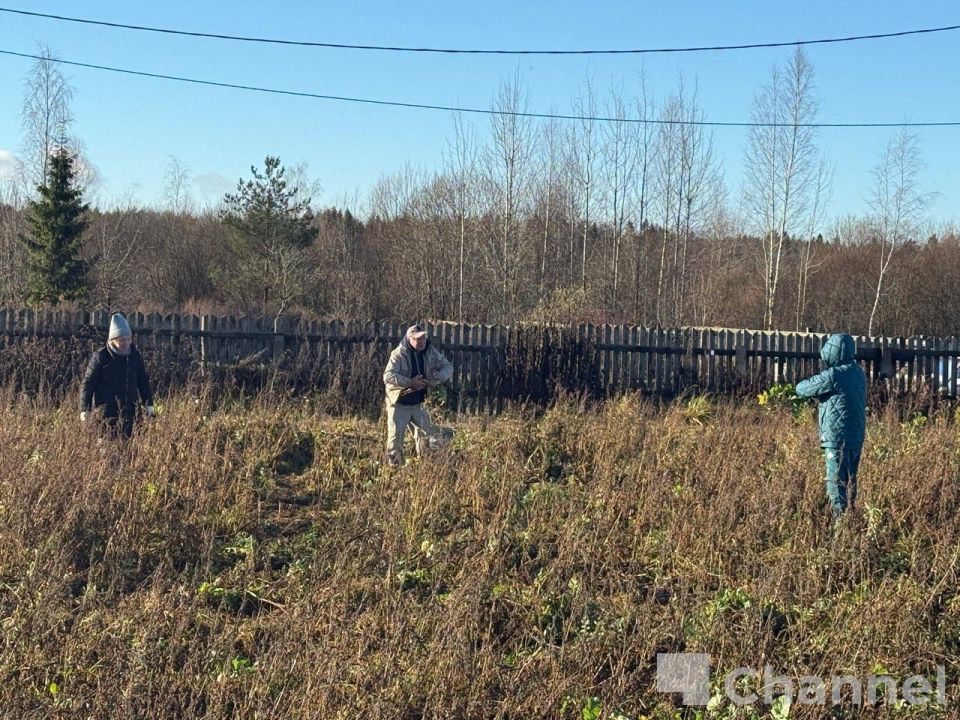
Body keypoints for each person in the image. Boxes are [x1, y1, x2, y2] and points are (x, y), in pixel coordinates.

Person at [795, 333, 867, 521]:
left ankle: (839, 530)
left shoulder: (834, 375)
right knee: (851, 483)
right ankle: (851, 523)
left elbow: (802, 388)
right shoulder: (859, 373)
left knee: (835, 485)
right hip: (856, 438)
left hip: (836, 439)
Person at [383, 323, 453, 465]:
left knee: (425, 435)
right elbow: (388, 376)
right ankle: (395, 472)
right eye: (417, 339)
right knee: (395, 442)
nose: (421, 342)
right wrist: (410, 382)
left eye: (423, 338)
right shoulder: (398, 354)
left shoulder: (430, 351)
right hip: (399, 403)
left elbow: (448, 367)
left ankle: (425, 467)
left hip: (417, 403)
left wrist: (436, 379)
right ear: (409, 339)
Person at [80, 313, 155, 439]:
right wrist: (84, 409)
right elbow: (88, 384)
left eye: (128, 339)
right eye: (122, 340)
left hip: (131, 416)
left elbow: (143, 382)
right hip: (106, 417)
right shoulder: (100, 357)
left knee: (130, 454)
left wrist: (149, 404)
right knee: (107, 454)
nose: (126, 343)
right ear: (112, 340)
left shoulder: (135, 356)